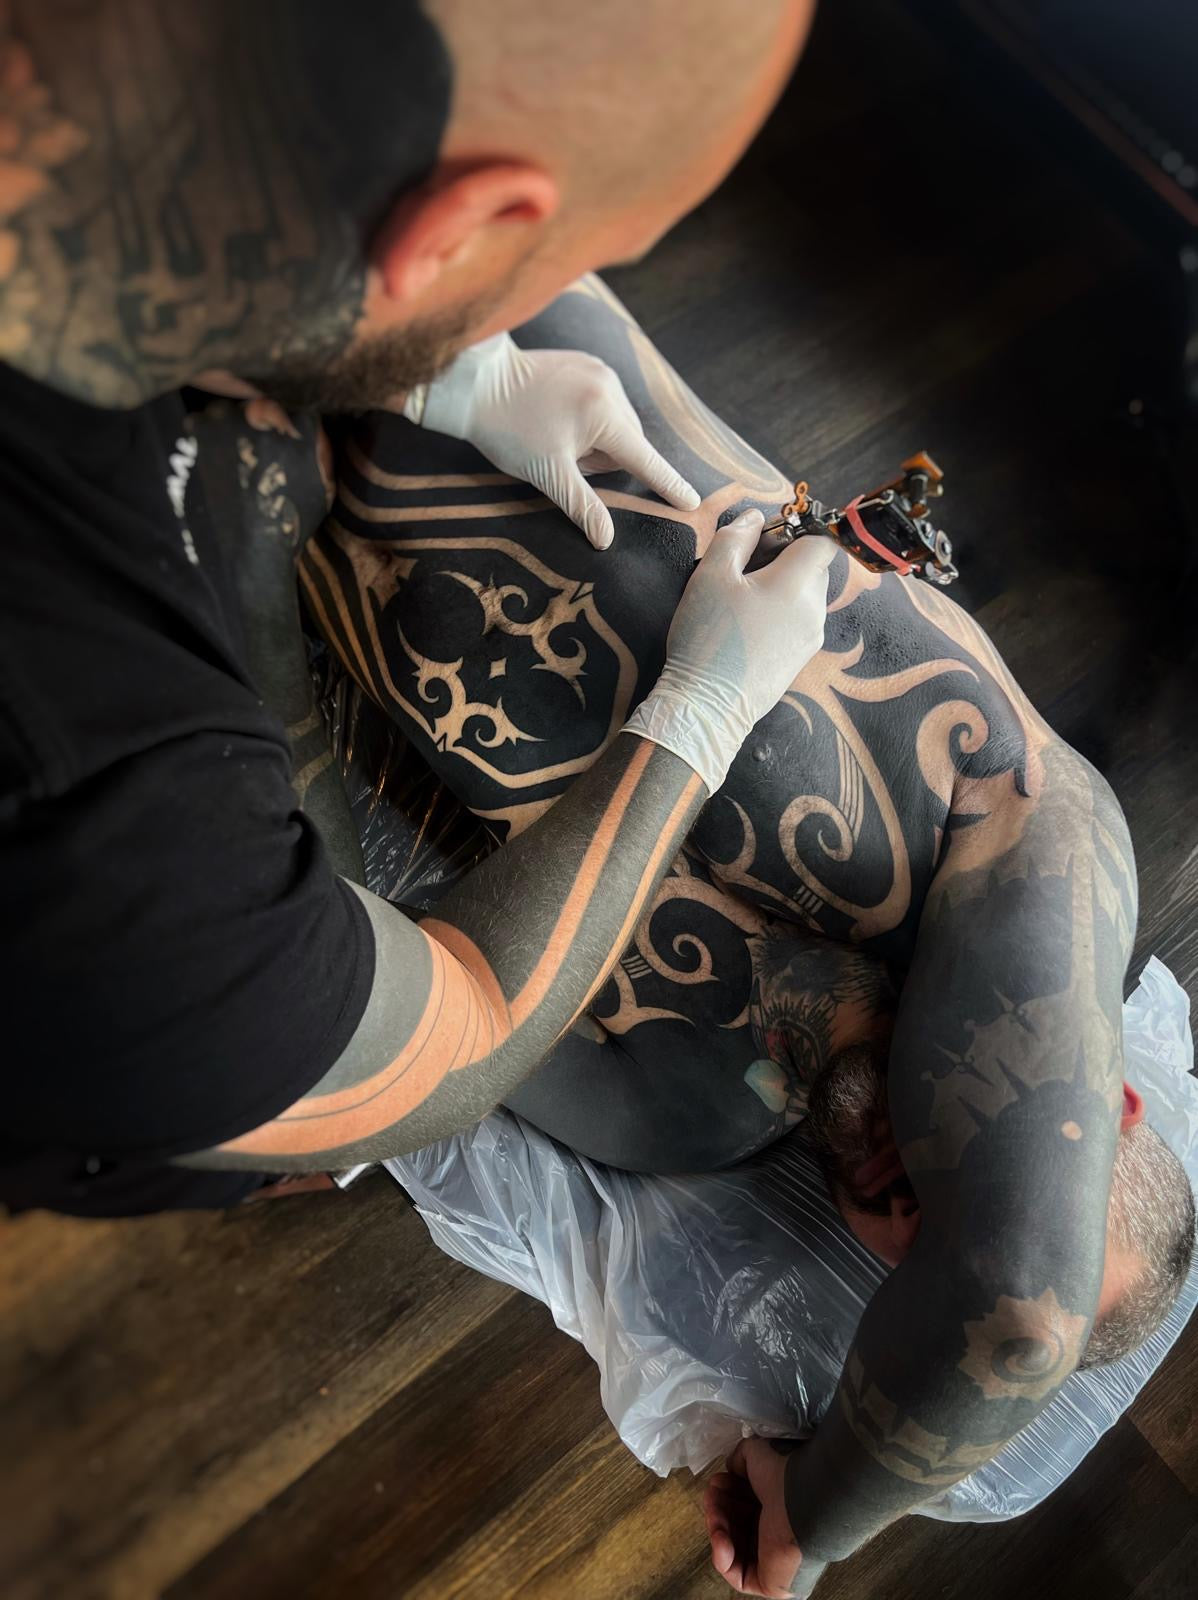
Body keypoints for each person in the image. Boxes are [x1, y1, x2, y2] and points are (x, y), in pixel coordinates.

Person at [292, 274, 1195, 1597]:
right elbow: (1013, 1311)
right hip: (439, 275)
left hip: (227, 472)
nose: (920, 1213)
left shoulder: (675, 1112)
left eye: (907, 1265)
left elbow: (385, 984)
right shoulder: (1019, 834)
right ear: (1099, 1092)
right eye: (974, 1201)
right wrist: (805, 1523)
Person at [0, 0, 823, 1216]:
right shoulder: (136, 856)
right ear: (455, 230)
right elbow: (464, 1032)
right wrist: (701, 712)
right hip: (143, 1077)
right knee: (275, 1128)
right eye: (562, 265)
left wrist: (451, 370)